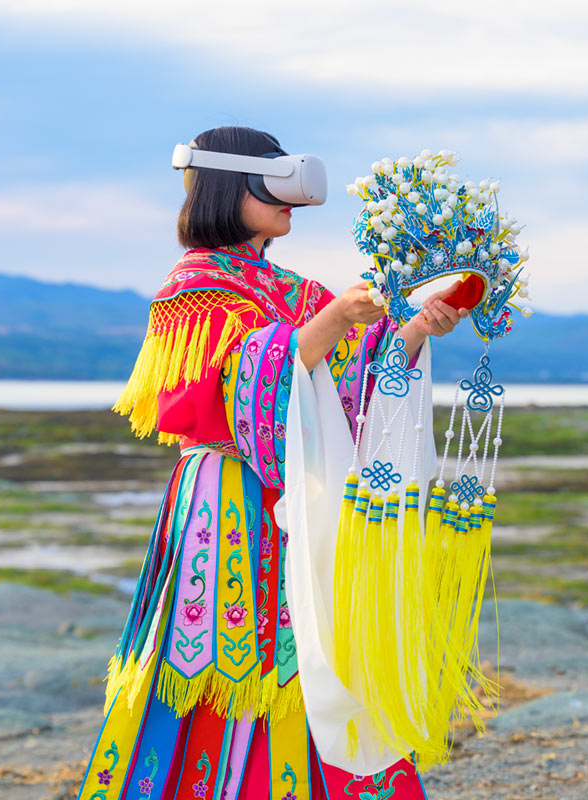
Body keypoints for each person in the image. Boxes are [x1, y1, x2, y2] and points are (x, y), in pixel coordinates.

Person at [76, 126, 468, 800]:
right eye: (275, 181)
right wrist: (338, 320)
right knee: (233, 656)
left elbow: (352, 390)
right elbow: (231, 392)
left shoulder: (296, 290)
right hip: (229, 498)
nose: (293, 201)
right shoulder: (194, 288)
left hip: (301, 497)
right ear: (232, 184)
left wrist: (411, 333)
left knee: (314, 645)